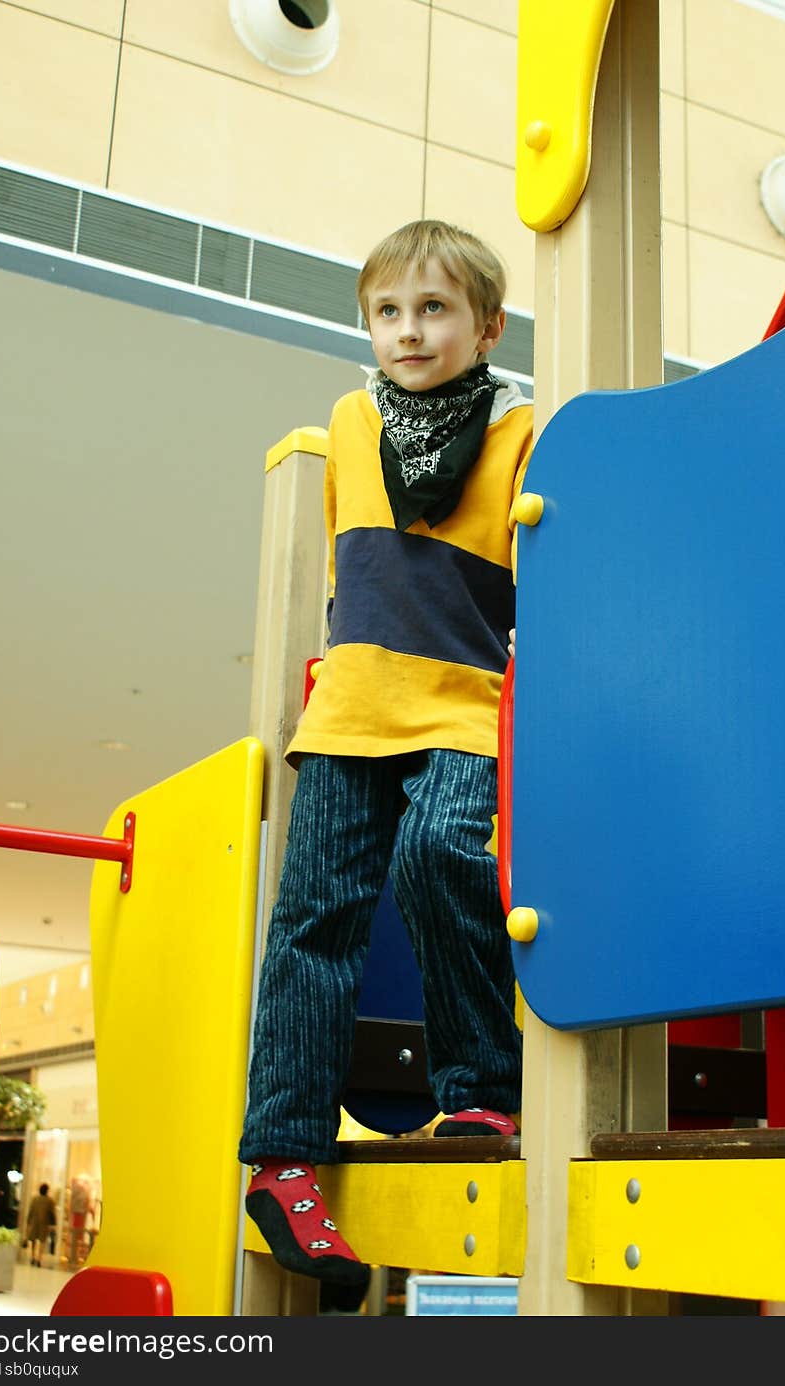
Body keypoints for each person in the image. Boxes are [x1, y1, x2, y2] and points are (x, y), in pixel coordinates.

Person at [238, 218, 533, 1301]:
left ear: (486, 325)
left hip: (463, 697)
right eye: (389, 311)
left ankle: (479, 1086)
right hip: (355, 702)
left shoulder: (520, 431)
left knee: (442, 855)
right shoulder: (351, 419)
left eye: (435, 309)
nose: (410, 331)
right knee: (312, 919)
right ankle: (284, 1161)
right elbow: (344, 559)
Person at [24, 1182, 56, 1267]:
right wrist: (53, 1224)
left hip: (35, 1222)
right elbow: (52, 1213)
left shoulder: (35, 1199)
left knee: (33, 1239)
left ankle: (33, 1256)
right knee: (42, 1241)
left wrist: (28, 1221)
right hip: (44, 1223)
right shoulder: (50, 1201)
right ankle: (39, 1258)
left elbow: (31, 1211)